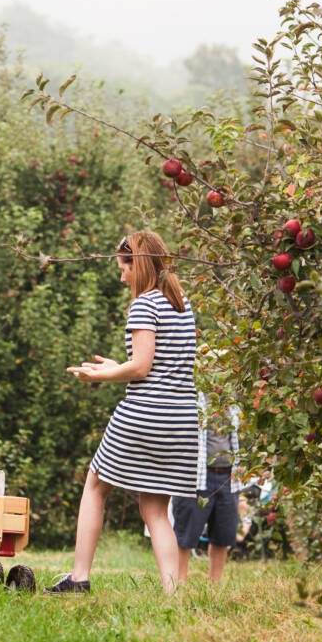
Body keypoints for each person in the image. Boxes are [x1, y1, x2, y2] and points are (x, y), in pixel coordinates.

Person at [48, 231, 200, 594]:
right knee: (154, 509)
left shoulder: (144, 304)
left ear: (141, 265)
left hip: (145, 412)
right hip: (181, 419)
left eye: (124, 268)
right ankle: (172, 593)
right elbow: (159, 362)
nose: (121, 277)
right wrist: (120, 365)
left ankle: (79, 578)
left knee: (96, 485)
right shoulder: (182, 305)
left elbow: (143, 368)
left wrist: (100, 374)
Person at [170, 401, 242, 587]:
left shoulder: (232, 403)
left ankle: (214, 585)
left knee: (223, 535)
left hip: (228, 478)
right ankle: (179, 583)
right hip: (196, 477)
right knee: (185, 534)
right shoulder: (193, 398)